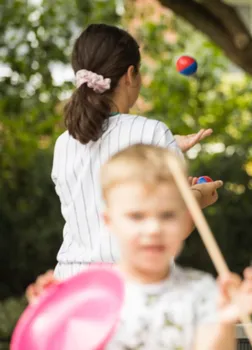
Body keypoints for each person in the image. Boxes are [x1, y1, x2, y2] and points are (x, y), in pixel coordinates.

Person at [27, 144, 252, 350]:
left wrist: (224, 321)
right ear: (109, 222)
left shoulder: (203, 292)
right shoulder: (91, 293)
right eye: (137, 216)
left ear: (186, 220)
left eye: (168, 216)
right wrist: (50, 318)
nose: (153, 229)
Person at [52, 23, 222, 279]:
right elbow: (174, 223)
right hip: (134, 287)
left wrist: (166, 148)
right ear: (130, 75)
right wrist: (199, 195)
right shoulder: (151, 132)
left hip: (71, 288)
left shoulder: (64, 142)